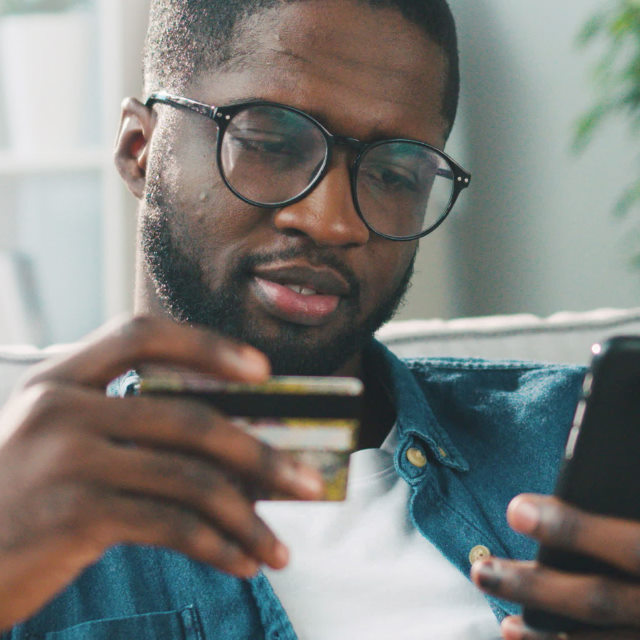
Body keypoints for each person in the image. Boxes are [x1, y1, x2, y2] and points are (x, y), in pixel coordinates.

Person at [0, 0, 639, 638]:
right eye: (271, 143)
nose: (335, 222)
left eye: (395, 173)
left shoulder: (579, 447)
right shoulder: (31, 496)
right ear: (141, 149)